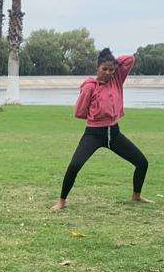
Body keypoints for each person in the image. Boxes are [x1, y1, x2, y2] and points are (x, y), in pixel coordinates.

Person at [50, 48, 151, 212]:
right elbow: (79, 112)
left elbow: (130, 59)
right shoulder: (90, 86)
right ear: (97, 68)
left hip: (114, 133)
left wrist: (113, 62)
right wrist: (96, 116)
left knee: (142, 162)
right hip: (94, 134)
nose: (108, 73)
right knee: (74, 166)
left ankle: (136, 196)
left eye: (111, 69)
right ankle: (61, 201)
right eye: (104, 69)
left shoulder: (117, 79)